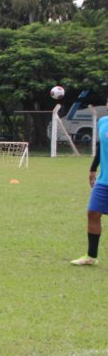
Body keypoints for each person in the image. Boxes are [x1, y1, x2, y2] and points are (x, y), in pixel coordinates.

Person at [72, 113, 108, 265]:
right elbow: (102, 146)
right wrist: (93, 167)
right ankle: (91, 257)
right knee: (93, 213)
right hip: (104, 180)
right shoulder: (103, 121)